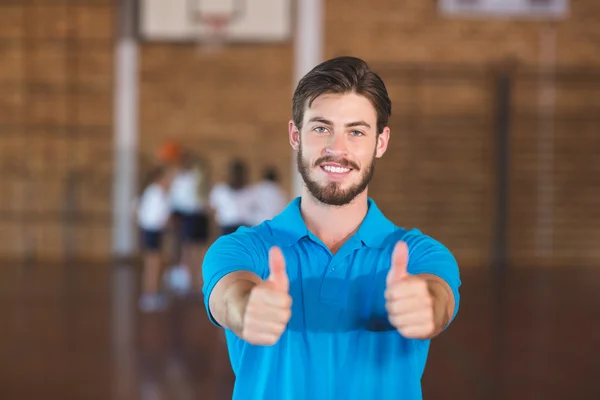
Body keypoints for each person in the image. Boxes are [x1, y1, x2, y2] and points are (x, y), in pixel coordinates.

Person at [201, 56, 461, 399]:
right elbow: (229, 295)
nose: (337, 149)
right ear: (295, 135)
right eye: (321, 128)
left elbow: (438, 298)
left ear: (380, 143)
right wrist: (246, 307)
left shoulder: (420, 254)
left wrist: (426, 305)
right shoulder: (241, 249)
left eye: (356, 132)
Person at [168, 151, 211, 293]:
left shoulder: (185, 179)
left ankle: (193, 282)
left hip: (190, 216)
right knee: (197, 251)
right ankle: (196, 282)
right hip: (195, 215)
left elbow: (177, 199)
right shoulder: (199, 179)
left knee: (190, 250)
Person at [137, 164, 177, 312]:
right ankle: (150, 294)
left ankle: (151, 293)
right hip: (153, 231)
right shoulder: (157, 193)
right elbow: (161, 216)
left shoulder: (151, 191)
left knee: (153, 263)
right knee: (153, 264)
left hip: (149, 230)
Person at [208, 159, 252, 236]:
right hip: (226, 227)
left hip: (245, 228)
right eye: (234, 173)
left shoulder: (252, 192)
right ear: (229, 174)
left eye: (239, 174)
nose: (236, 176)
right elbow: (212, 211)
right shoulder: (220, 191)